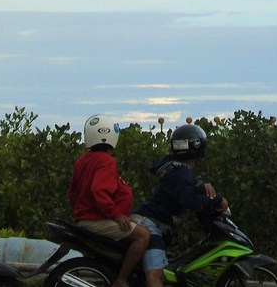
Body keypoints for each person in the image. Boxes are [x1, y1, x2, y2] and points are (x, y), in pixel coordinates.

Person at [132, 124, 228, 287]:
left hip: (148, 221)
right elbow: (188, 198)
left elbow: (187, 185)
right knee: (155, 277)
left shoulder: (173, 167)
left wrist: (201, 185)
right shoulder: (179, 171)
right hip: (151, 225)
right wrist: (217, 200)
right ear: (198, 146)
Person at [69, 114, 150, 287]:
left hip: (88, 218)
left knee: (138, 225)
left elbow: (73, 193)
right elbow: (99, 191)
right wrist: (115, 215)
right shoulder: (106, 161)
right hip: (97, 219)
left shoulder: (83, 160)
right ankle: (121, 279)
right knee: (143, 236)